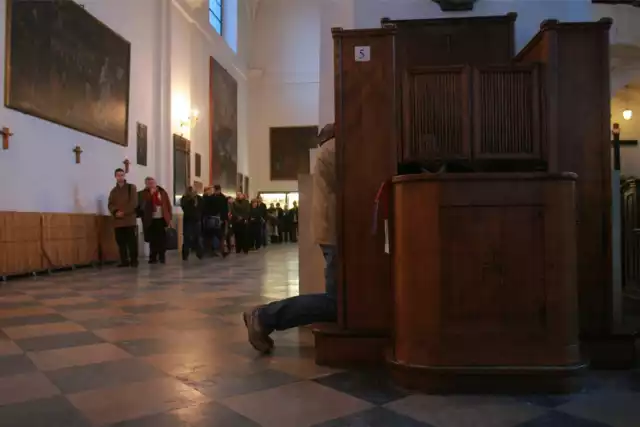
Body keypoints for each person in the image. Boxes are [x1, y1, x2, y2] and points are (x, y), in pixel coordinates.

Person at [243, 123, 337, 353]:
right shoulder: (335, 149)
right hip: (337, 232)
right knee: (339, 302)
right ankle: (264, 316)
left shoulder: (330, 149)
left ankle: (265, 316)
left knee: (342, 300)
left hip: (335, 230)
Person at [107, 168, 139, 267]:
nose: (120, 177)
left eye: (122, 175)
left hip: (129, 219)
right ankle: (124, 260)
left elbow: (134, 202)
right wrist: (115, 212)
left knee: (131, 242)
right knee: (121, 242)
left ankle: (134, 260)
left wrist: (124, 212)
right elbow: (110, 204)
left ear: (124, 176)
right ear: (115, 177)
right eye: (118, 175)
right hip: (118, 221)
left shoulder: (131, 188)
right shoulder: (113, 191)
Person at [140, 177, 172, 264]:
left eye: (153, 183)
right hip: (150, 220)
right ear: (146, 184)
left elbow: (167, 205)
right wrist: (151, 195)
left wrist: (170, 218)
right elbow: (142, 205)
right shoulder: (143, 193)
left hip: (161, 219)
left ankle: (162, 256)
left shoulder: (162, 192)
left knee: (162, 239)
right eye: (149, 183)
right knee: (152, 240)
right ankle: (153, 257)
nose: (151, 185)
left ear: (155, 183)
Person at [202, 185, 229, 257]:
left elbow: (224, 209)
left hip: (215, 219)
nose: (213, 191)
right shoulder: (210, 197)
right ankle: (216, 250)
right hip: (212, 218)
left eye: (213, 190)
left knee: (217, 235)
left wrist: (224, 219)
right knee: (215, 234)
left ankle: (220, 250)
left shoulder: (221, 198)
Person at [180, 186, 203, 260]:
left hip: (197, 220)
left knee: (198, 237)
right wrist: (191, 201)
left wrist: (199, 214)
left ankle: (199, 253)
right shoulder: (185, 198)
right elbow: (185, 208)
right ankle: (185, 254)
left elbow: (202, 207)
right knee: (187, 237)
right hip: (188, 220)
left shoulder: (199, 198)